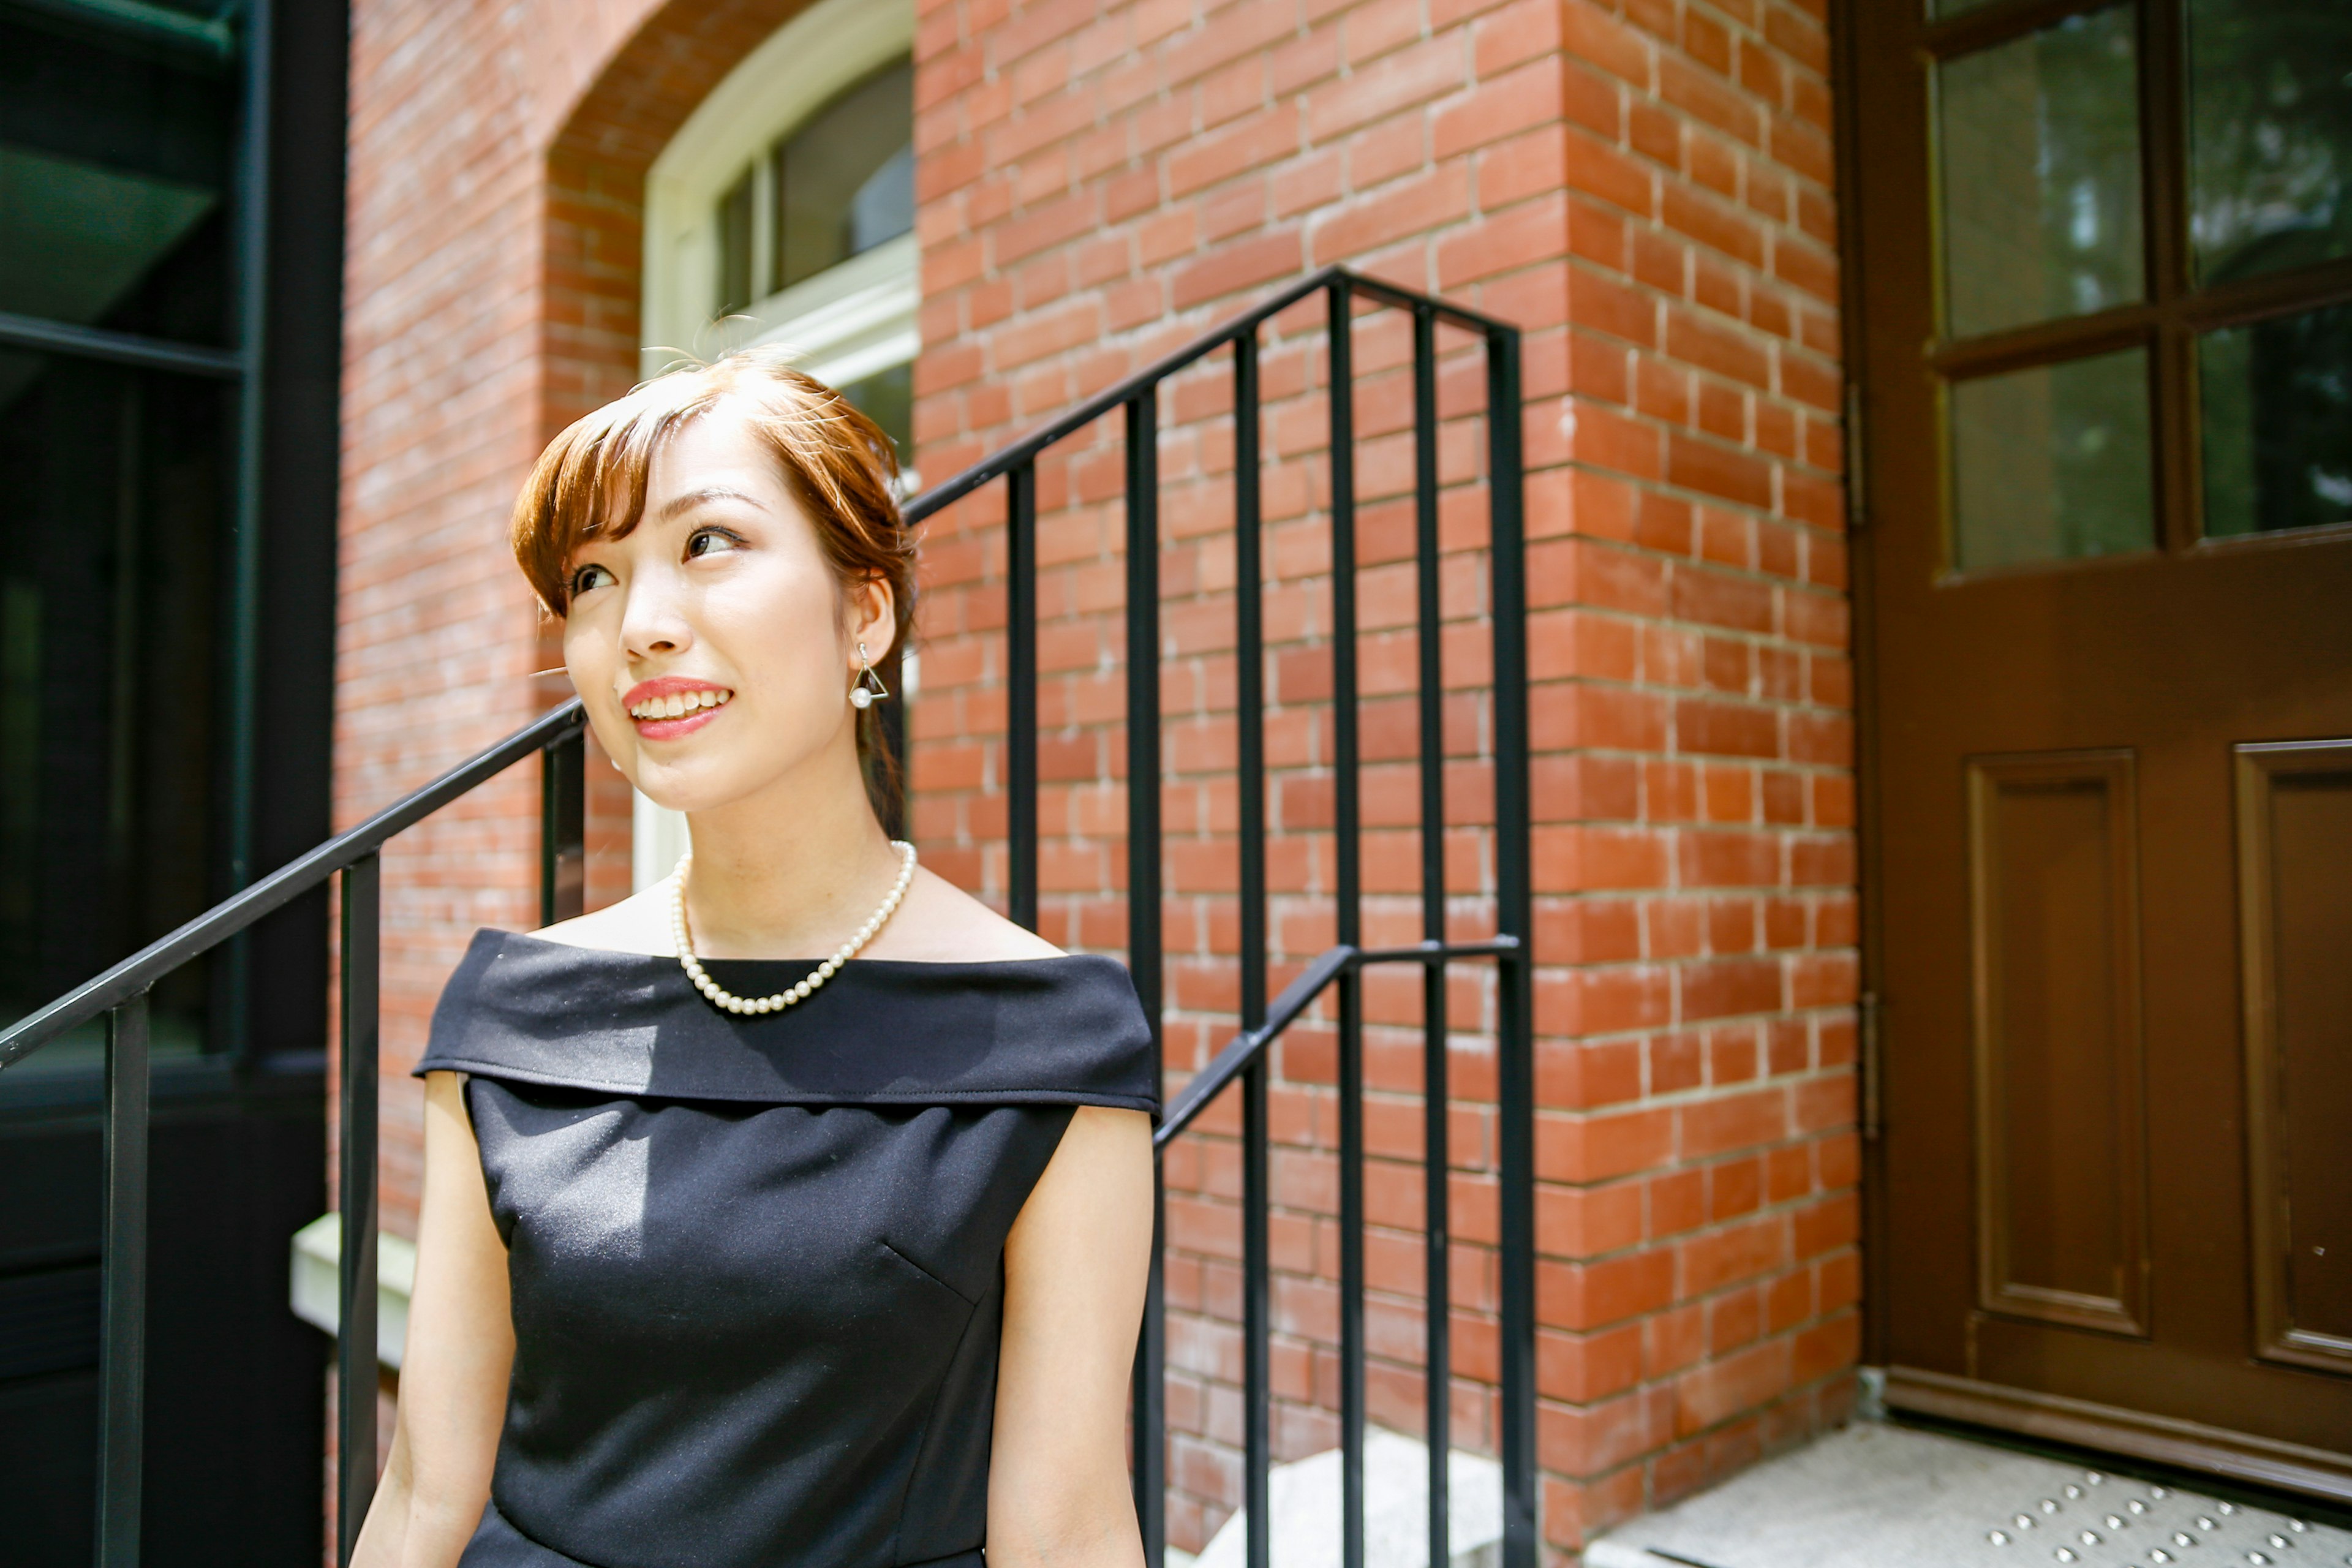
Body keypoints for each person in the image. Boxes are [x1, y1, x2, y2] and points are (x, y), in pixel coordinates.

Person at [351, 350, 1159, 1568]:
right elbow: (421, 1492)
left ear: (866, 611)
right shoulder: (512, 1012)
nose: (642, 624)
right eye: (592, 577)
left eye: (708, 542)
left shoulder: (1048, 1037)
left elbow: (1070, 1529)